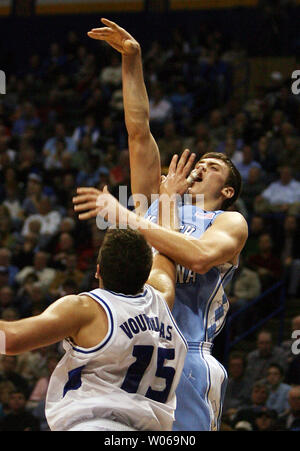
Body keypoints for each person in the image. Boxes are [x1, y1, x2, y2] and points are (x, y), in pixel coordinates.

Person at [80, 18, 248, 432]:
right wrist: (132, 60)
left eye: (210, 168)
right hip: (129, 343)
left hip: (187, 355)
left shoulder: (227, 221)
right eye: (199, 162)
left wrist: (134, 218)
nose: (198, 168)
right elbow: (138, 132)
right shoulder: (155, 203)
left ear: (226, 190)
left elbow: (200, 258)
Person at [0, 218, 187, 430]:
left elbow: (9, 340)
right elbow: (168, 251)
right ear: (146, 275)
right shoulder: (163, 299)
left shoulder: (86, 310)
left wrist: (169, 194)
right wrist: (171, 198)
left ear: (98, 271)